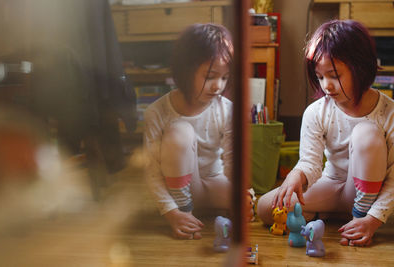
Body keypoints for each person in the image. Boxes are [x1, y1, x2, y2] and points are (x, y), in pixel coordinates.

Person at [257, 19, 394, 247]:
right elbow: (310, 162)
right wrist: (296, 175)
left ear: (359, 67)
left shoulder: (388, 112)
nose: (326, 86)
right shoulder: (317, 112)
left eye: (334, 75)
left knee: (367, 133)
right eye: (320, 77)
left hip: (369, 194)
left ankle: (358, 218)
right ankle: (331, 215)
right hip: (331, 185)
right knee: (265, 207)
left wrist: (373, 219)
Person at [143, 23, 234, 240]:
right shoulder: (157, 112)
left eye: (224, 77)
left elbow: (232, 160)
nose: (218, 86)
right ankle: (185, 211)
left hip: (213, 183)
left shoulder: (226, 109)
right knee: (179, 132)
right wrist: (172, 213)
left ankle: (203, 209)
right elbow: (151, 170)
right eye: (210, 76)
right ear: (186, 71)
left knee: (254, 204)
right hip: (176, 191)